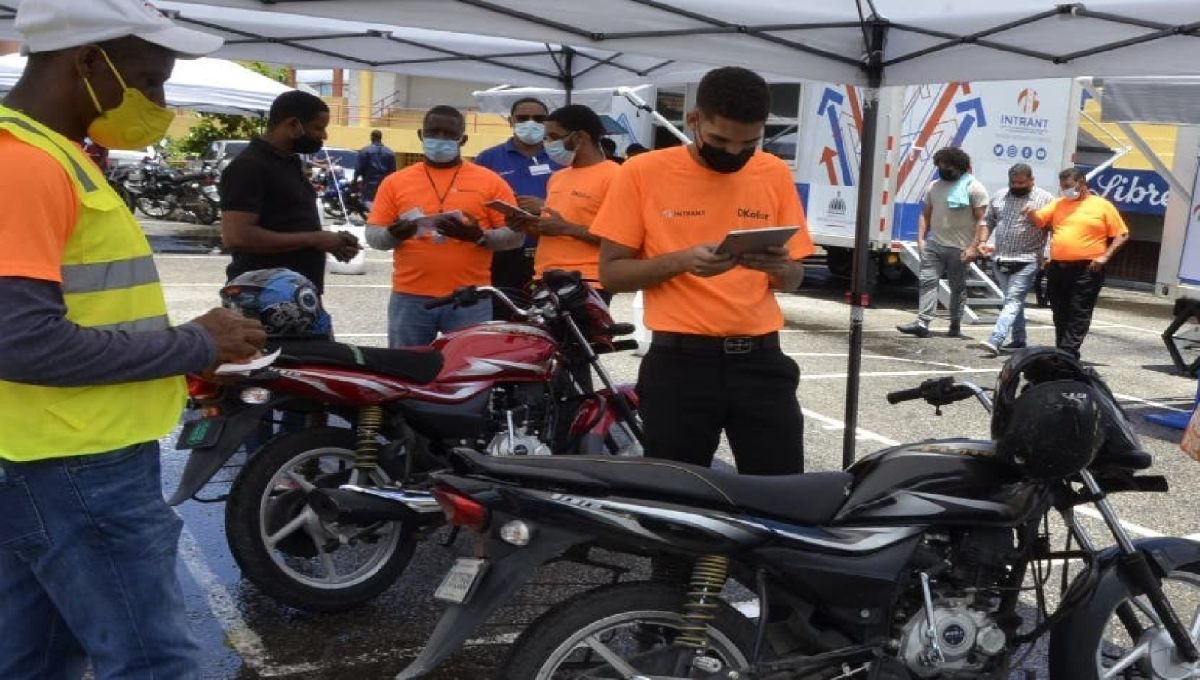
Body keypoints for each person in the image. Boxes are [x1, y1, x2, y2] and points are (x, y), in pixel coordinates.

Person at [0, 2, 267, 678]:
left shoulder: (54, 156)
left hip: (49, 452)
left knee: (37, 657)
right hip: (76, 462)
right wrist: (195, 345)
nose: (158, 103)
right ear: (87, 61)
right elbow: (20, 342)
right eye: (148, 81)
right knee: (151, 661)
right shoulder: (26, 166)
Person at [593, 66, 814, 476]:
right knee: (677, 500)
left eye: (749, 143)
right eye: (719, 140)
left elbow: (794, 277)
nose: (733, 153)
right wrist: (682, 261)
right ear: (694, 120)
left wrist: (782, 267)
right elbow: (611, 274)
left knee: (781, 494)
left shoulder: (773, 172)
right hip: (680, 366)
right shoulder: (642, 172)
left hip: (762, 362)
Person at [365, 105, 524, 347]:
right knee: (407, 372)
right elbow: (373, 236)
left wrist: (479, 237)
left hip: (471, 297)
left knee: (469, 372)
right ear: (421, 135)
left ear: (463, 139)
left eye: (449, 134)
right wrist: (392, 235)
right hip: (410, 297)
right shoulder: (395, 182)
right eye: (433, 132)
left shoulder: (490, 181)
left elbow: (516, 236)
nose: (440, 139)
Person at [220, 90, 360, 298]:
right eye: (318, 128)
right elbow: (237, 237)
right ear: (293, 125)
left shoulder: (290, 161)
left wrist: (332, 242)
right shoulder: (248, 166)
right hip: (262, 297)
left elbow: (289, 221)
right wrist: (314, 239)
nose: (323, 136)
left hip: (297, 295)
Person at [1025, 167, 1130, 358]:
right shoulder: (1059, 204)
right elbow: (1040, 221)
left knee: (1078, 310)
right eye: (1063, 186)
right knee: (1059, 311)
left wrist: (1105, 256)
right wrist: (1031, 213)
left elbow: (1122, 234)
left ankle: (1068, 351)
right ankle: (1062, 350)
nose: (1066, 190)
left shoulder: (1101, 205)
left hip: (1087, 268)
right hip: (1058, 267)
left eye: (1069, 186)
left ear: (1081, 183)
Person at [524, 104, 620, 302]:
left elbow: (619, 240)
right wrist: (528, 225)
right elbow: (555, 229)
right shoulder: (558, 177)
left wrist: (566, 228)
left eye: (554, 137)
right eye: (546, 137)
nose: (547, 143)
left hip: (586, 281)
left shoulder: (615, 176)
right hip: (545, 278)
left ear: (580, 137)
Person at [897, 147, 989, 338]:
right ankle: (922, 323)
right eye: (940, 166)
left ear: (959, 166)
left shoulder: (974, 188)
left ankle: (955, 323)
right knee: (928, 281)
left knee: (957, 287)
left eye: (948, 166)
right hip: (934, 244)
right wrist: (920, 239)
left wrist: (974, 247)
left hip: (961, 248)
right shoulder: (934, 186)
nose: (943, 169)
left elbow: (982, 220)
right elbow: (925, 213)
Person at [474, 97, 557, 300]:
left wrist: (545, 206)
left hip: (552, 252)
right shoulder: (488, 158)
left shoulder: (561, 159)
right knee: (504, 318)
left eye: (539, 118)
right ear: (511, 121)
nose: (531, 123)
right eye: (523, 118)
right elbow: (476, 201)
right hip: (504, 254)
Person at [975, 163, 1054, 356]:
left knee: (1012, 299)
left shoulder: (1044, 199)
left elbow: (1053, 227)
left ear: (1031, 180)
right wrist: (983, 241)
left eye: (1021, 182)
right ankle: (1019, 340)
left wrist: (1048, 253)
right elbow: (988, 220)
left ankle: (996, 338)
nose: (1017, 186)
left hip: (1027, 259)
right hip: (1000, 257)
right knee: (1012, 301)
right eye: (1013, 182)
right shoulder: (1000, 196)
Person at [355, 129, 396, 205]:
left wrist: (354, 180)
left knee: (368, 204)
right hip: (384, 184)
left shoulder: (365, 151)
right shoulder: (390, 152)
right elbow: (393, 171)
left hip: (369, 183)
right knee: (381, 204)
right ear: (381, 138)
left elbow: (358, 168)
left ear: (372, 137)